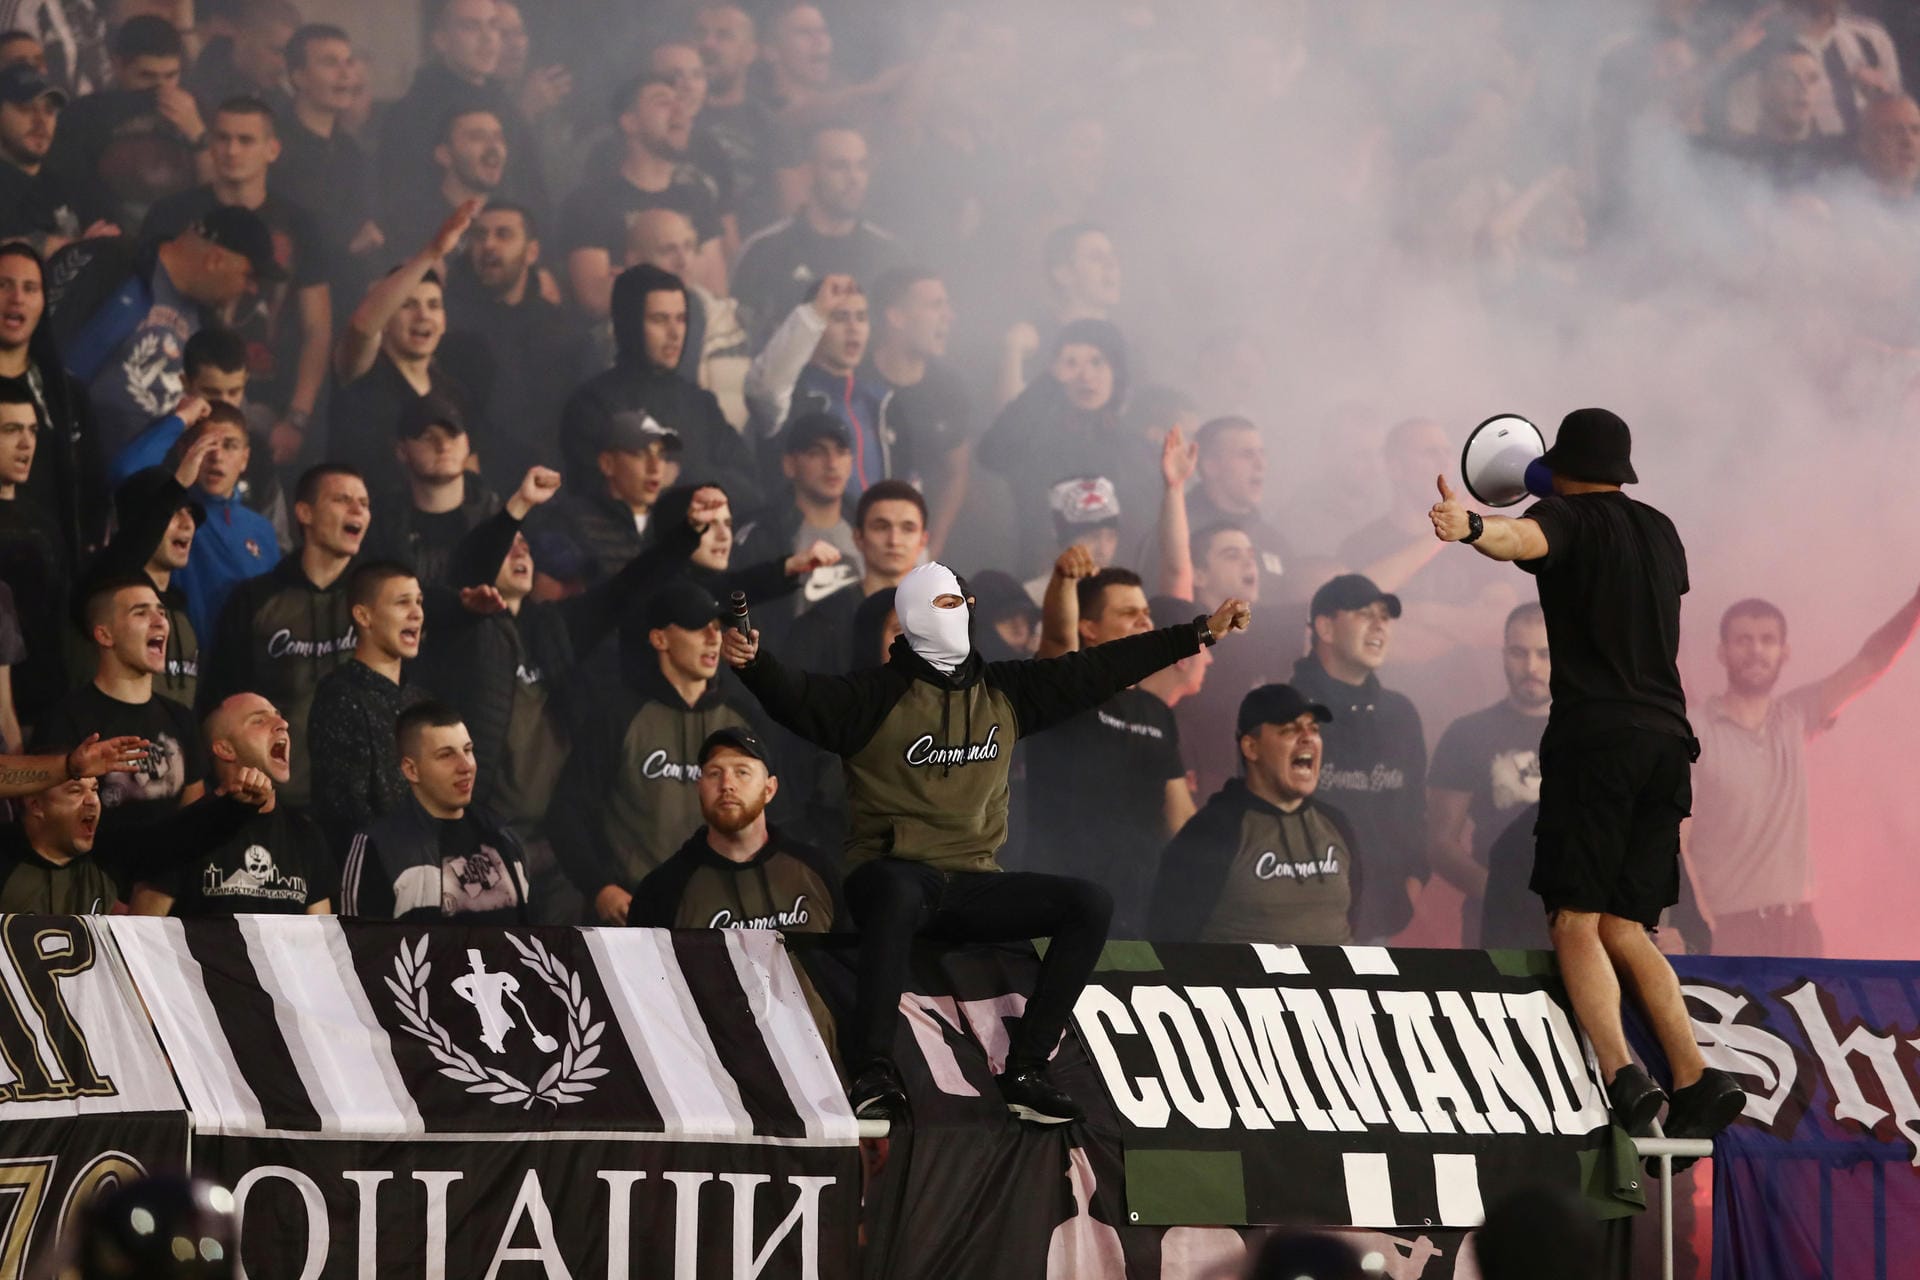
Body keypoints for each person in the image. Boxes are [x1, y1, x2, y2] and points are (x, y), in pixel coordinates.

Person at [722, 558, 1251, 1123]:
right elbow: (798, 697)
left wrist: (1198, 633)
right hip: (892, 875)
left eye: (964, 604)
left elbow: (1102, 665)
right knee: (899, 891)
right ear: (910, 616)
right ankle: (871, 1070)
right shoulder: (872, 696)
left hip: (973, 883)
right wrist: (755, 665)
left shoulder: (1007, 690)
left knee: (1089, 904)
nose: (961, 614)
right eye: (946, 604)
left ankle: (1025, 1070)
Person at [1427, 405, 1745, 1153]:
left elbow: (1522, 537)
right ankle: (1699, 1076)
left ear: (1562, 470)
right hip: (1668, 740)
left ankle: (1623, 1076)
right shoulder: (1662, 529)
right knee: (1627, 926)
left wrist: (1470, 528)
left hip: (1596, 741)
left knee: (1573, 918)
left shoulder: (1563, 517)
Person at [1688, 588, 1920, 957]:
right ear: (1723, 651)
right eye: (1743, 640)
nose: (1756, 650)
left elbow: (1872, 661)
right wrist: (1696, 922)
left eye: (1768, 640)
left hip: (1799, 927)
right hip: (1728, 927)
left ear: (1785, 651)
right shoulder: (1695, 730)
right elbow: (1676, 838)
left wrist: (1916, 603)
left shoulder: (1794, 717)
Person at [548, 578, 756, 924]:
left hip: (726, 912)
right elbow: (566, 812)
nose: (712, 637)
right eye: (695, 626)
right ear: (659, 638)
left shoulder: (744, 717)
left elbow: (773, 815)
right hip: (636, 910)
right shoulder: (617, 715)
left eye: (717, 627)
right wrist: (600, 887)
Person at [141, 95, 331, 462]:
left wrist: (297, 417)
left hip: (270, 400)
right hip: (177, 394)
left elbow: (318, 328)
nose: (231, 150)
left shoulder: (300, 224)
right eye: (222, 138)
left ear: (272, 149)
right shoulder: (172, 214)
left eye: (246, 140)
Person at [1024, 562, 1193, 935]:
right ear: (1089, 627)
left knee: (1132, 992)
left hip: (1140, 907)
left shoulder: (1157, 711)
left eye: (1147, 615)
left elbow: (1179, 816)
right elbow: (1055, 641)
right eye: (1129, 613)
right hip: (1061, 900)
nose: (1145, 623)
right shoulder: (1067, 691)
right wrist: (1064, 579)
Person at [47, 205, 283, 456]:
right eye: (250, 276)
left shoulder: (209, 328)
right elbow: (35, 344)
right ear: (216, 260)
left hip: (144, 485)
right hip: (58, 459)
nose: (252, 289)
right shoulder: (108, 261)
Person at [199, 462, 367, 806]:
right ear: (304, 512)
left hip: (363, 804)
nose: (357, 510)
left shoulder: (376, 599)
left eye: (364, 503)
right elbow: (224, 698)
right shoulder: (255, 599)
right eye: (342, 499)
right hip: (281, 804)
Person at [1152, 683, 1359, 940]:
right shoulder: (1215, 830)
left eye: (1314, 729)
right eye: (1290, 729)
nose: (1308, 737)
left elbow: (1352, 916)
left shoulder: (1336, 824)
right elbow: (1168, 934)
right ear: (1251, 748)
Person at [1290, 573, 1427, 943]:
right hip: (1294, 923)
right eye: (1365, 613)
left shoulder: (1401, 713)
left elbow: (1416, 813)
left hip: (1378, 924)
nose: (1380, 624)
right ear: (1326, 627)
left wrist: (1409, 887)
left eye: (1384, 616)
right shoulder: (1284, 707)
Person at [558, 263, 758, 507]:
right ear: (629, 324)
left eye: (681, 319)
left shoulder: (700, 404)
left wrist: (683, 476)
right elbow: (588, 496)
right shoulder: (592, 406)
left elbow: (749, 489)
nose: (675, 333)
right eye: (659, 319)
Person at [127, 691, 335, 915]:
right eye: (259, 720)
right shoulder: (182, 837)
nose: (283, 723)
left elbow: (318, 940)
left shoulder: (305, 836)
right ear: (225, 749)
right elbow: (141, 937)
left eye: (278, 715)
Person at [33, 571, 206, 833]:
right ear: (104, 635)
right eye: (140, 612)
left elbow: (195, 824)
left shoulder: (181, 717)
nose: (160, 621)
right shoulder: (64, 720)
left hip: (172, 871)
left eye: (161, 611)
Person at [630, 726, 841, 933]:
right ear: (699, 788)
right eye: (714, 773)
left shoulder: (817, 871)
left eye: (742, 772)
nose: (727, 784)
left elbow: (846, 963)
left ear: (769, 789)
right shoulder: (662, 891)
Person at [328, 200, 482, 484]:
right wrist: (433, 252)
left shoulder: (454, 393)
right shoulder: (364, 372)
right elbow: (362, 326)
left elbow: (469, 477)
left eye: (434, 305)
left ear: (445, 320)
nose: (423, 315)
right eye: (409, 305)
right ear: (386, 318)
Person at [0, 752, 273, 913]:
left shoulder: (108, 856)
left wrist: (236, 807)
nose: (92, 801)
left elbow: (182, 836)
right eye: (75, 790)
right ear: (35, 805)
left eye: (94, 790)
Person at [339, 700, 533, 922]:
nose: (466, 766)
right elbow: (357, 948)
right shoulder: (378, 846)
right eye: (446, 755)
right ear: (411, 770)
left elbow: (530, 941)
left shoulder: (505, 839)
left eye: (468, 750)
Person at [1427, 602, 1550, 947]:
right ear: (1503, 654)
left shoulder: (1597, 735)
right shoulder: (1467, 734)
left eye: (1545, 654)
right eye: (1518, 652)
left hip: (1585, 928)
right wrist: (1506, 897)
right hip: (1496, 926)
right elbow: (1440, 845)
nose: (1531, 667)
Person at [977, 318, 1136, 576]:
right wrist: (1047, 382)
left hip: (1117, 589)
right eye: (1072, 363)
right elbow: (992, 452)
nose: (1085, 376)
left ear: (1116, 371)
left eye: (1097, 362)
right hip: (1043, 580)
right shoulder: (1038, 434)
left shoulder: (1130, 444)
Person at [561, 70, 725, 320]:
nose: (679, 110)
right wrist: (687, 274)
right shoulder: (590, 202)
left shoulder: (697, 196)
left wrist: (633, 275)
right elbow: (595, 299)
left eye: (680, 102)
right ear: (630, 123)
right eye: (663, 102)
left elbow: (716, 291)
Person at [112, 396, 278, 642]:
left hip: (245, 673)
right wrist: (180, 420)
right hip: (182, 665)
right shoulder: (169, 513)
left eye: (229, 445)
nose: (217, 457)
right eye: (207, 444)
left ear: (245, 458)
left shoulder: (262, 529)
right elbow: (126, 473)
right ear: (184, 450)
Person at [443, 202, 589, 481]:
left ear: (532, 252)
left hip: (548, 492)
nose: (488, 245)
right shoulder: (447, 326)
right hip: (472, 490)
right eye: (480, 235)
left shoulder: (566, 334)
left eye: (504, 235)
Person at [730, 123, 898, 345]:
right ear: (809, 173)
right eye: (840, 166)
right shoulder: (764, 251)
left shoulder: (890, 255)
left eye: (862, 166)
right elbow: (738, 344)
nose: (854, 178)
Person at [376, 0, 545, 213]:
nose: (488, 38)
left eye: (493, 25)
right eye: (471, 27)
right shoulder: (410, 116)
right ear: (441, 40)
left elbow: (533, 195)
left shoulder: (507, 109)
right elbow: (401, 202)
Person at [41, 15, 204, 225]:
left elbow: (217, 189)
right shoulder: (84, 115)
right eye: (147, 76)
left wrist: (197, 133)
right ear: (118, 65)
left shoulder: (196, 109)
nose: (161, 88)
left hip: (182, 234)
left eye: (171, 76)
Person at [308, 559, 426, 840]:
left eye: (419, 602)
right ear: (363, 616)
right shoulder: (339, 696)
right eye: (402, 602)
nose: (417, 614)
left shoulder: (420, 700)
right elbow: (343, 812)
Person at [745, 273, 890, 498]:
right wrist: (815, 312)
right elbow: (764, 388)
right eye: (840, 317)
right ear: (817, 325)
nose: (854, 328)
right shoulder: (793, 398)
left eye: (861, 317)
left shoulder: (881, 403)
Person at [91, 442, 214, 707]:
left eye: (190, 512)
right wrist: (177, 485)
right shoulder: (103, 595)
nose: (187, 522)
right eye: (173, 512)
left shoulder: (181, 613)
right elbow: (125, 554)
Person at [864, 266, 970, 558]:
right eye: (936, 306)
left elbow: (956, 472)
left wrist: (931, 547)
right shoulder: (854, 379)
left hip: (914, 545)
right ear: (896, 316)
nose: (949, 316)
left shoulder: (949, 387)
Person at [272, 23, 382, 301]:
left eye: (348, 62)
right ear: (298, 77)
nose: (346, 74)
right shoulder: (274, 146)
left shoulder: (352, 152)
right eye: (330, 63)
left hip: (348, 294)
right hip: (290, 297)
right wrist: (347, 241)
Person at [624, 206, 751, 429]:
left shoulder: (735, 323)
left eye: (689, 247)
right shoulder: (609, 340)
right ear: (635, 261)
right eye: (667, 250)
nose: (683, 261)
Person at [0, 376, 80, 730]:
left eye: (32, 430)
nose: (25, 443)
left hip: (48, 706)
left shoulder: (45, 522)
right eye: (11, 430)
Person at [781, 477, 925, 674]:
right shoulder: (821, 624)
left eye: (908, 528)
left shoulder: (946, 621)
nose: (894, 540)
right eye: (881, 526)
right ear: (858, 537)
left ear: (923, 540)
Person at [734, 410, 859, 626]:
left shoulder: (870, 526)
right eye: (816, 453)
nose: (832, 464)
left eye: (841, 452)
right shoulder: (762, 534)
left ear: (851, 462)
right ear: (789, 465)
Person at [366, 395, 500, 586]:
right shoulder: (382, 525)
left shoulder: (496, 519)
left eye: (452, 435)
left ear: (467, 443)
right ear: (402, 450)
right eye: (427, 437)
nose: (443, 446)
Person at [1700, 39, 1852, 187]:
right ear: (1763, 88)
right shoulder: (1733, 160)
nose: (1803, 88)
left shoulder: (1837, 161)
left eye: (1811, 79)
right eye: (1789, 78)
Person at [0, 60, 116, 250]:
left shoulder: (64, 184)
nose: (41, 121)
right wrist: (47, 246)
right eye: (27, 108)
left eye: (49, 110)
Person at [382, 105, 510, 271]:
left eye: (499, 138)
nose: (494, 147)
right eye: (478, 137)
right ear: (444, 155)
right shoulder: (410, 224)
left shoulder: (510, 218)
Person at [692, 2, 779, 236]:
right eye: (701, 34)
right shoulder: (670, 117)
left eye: (724, 36)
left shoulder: (768, 126)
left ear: (749, 53)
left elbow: (790, 210)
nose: (708, 44)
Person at [1188, 416, 1287, 585]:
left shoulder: (1271, 539)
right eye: (1247, 455)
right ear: (1210, 466)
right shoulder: (1179, 533)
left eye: (1262, 453)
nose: (1261, 464)